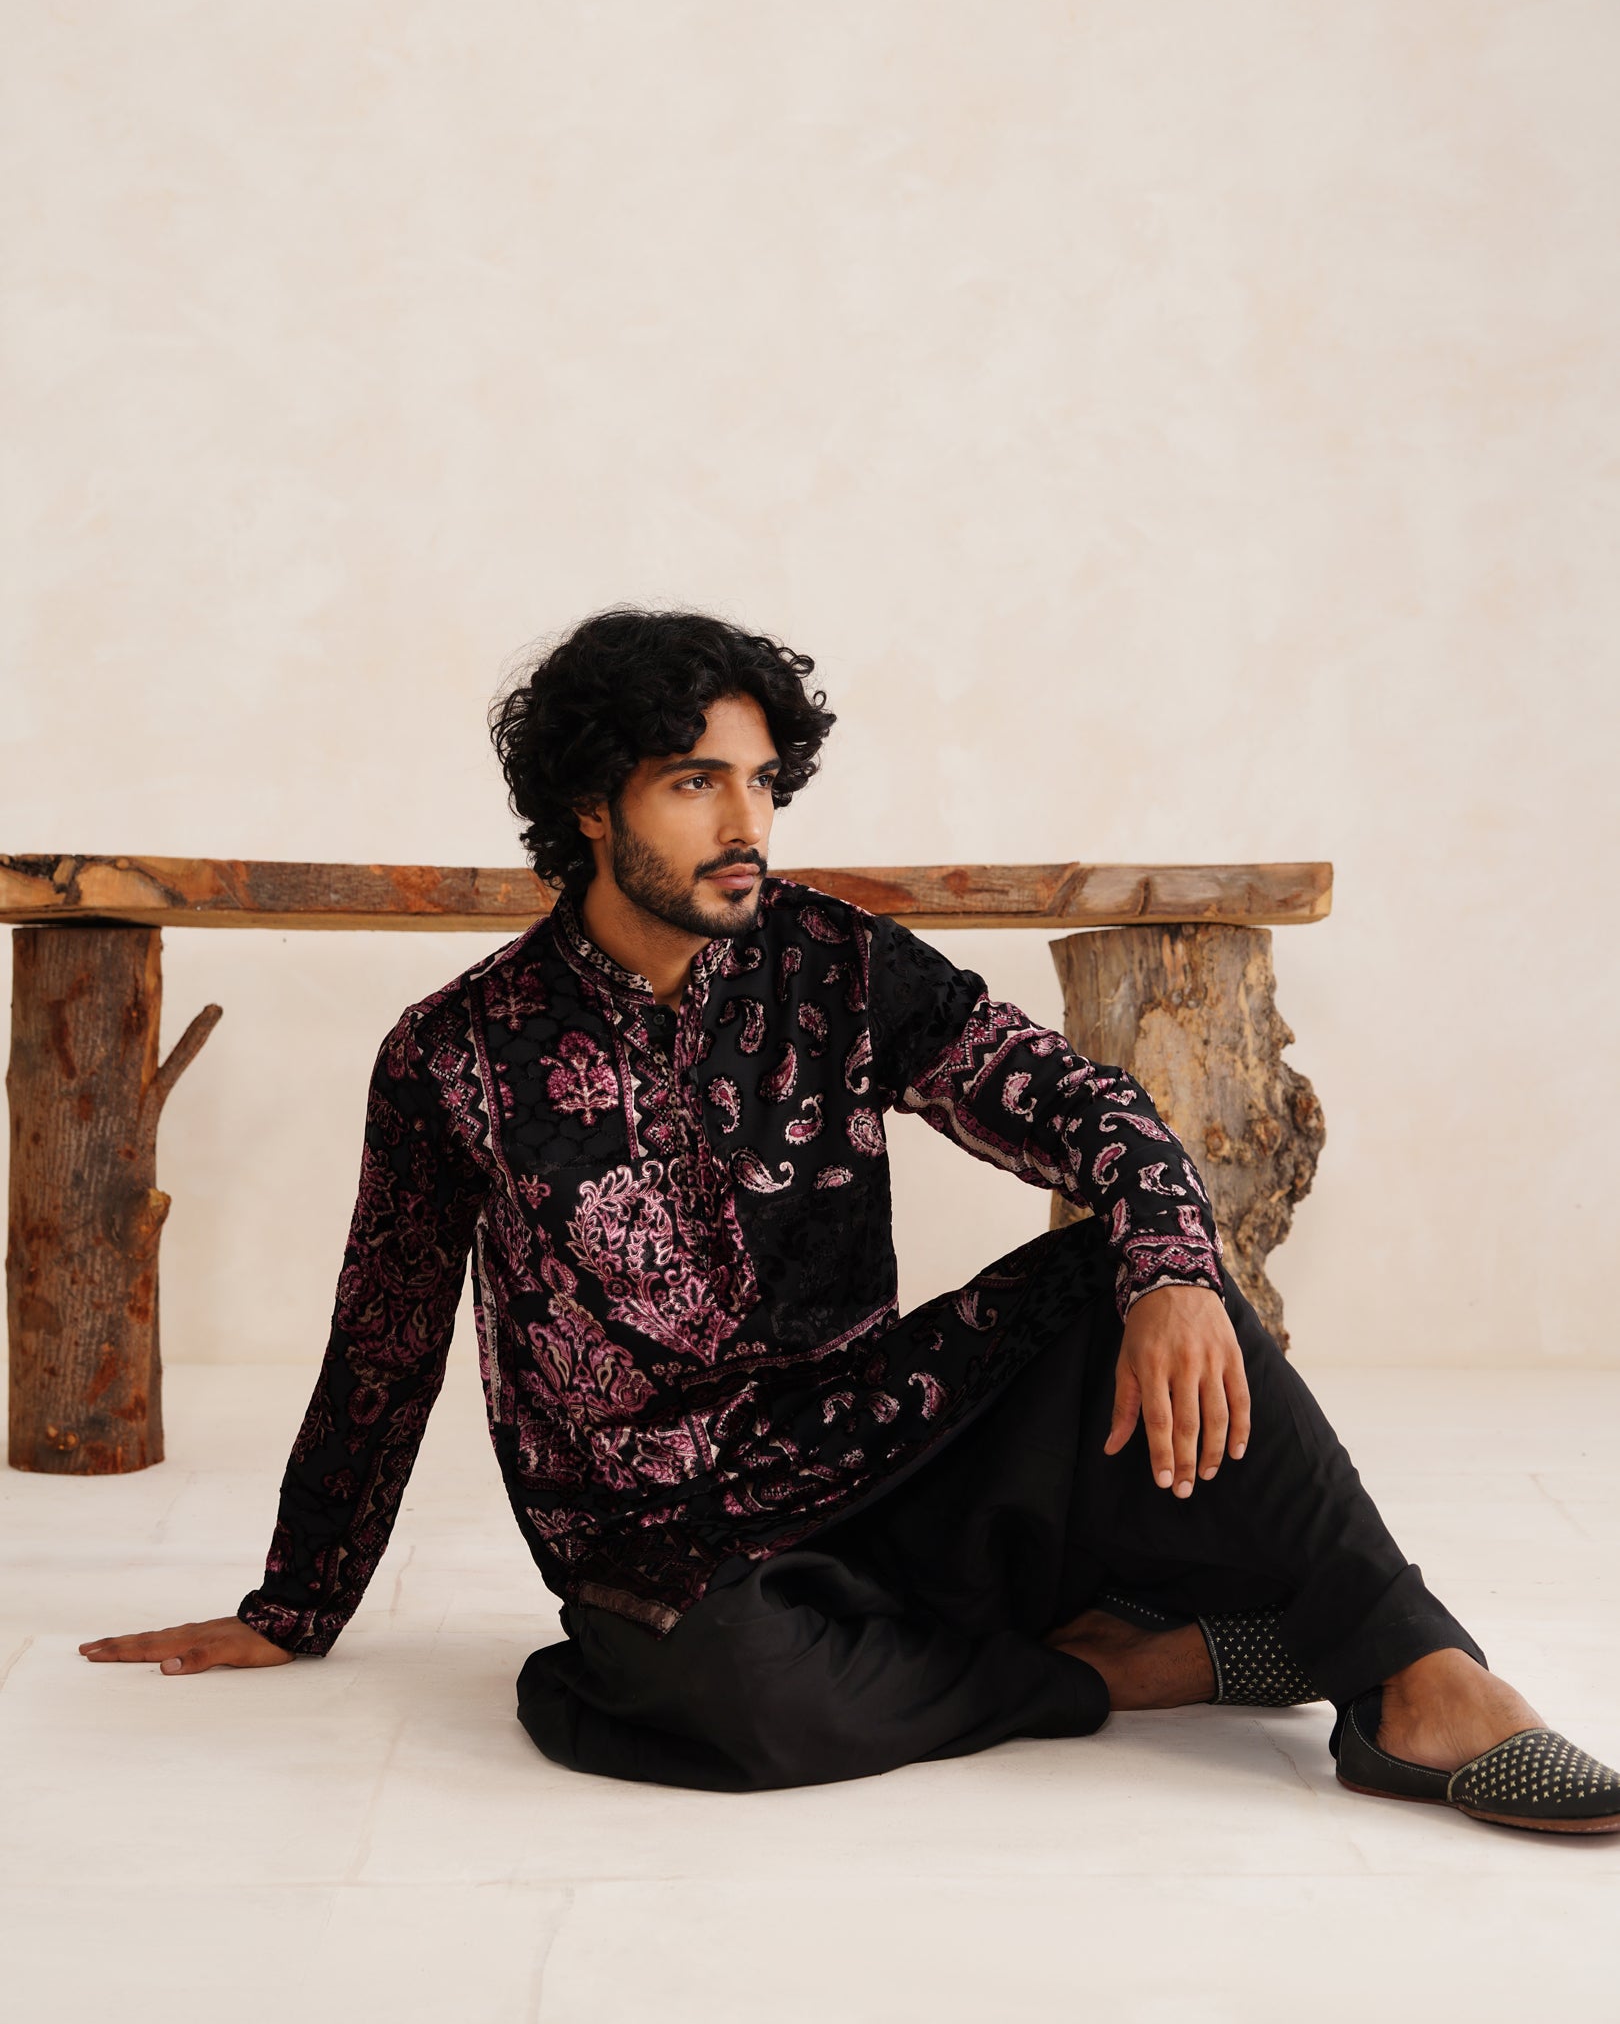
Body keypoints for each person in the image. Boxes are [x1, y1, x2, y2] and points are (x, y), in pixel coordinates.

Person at [82, 609, 1620, 1833]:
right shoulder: (454, 1055)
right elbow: (385, 1338)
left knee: (1150, 1272)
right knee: (745, 1699)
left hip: (885, 1457)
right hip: (669, 1551)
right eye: (695, 781)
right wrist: (295, 1605)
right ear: (591, 804)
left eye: (761, 780)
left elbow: (1078, 1100)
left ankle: (1423, 1677)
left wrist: (1167, 1266)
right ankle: (1120, 1667)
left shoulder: (836, 964)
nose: (744, 819)